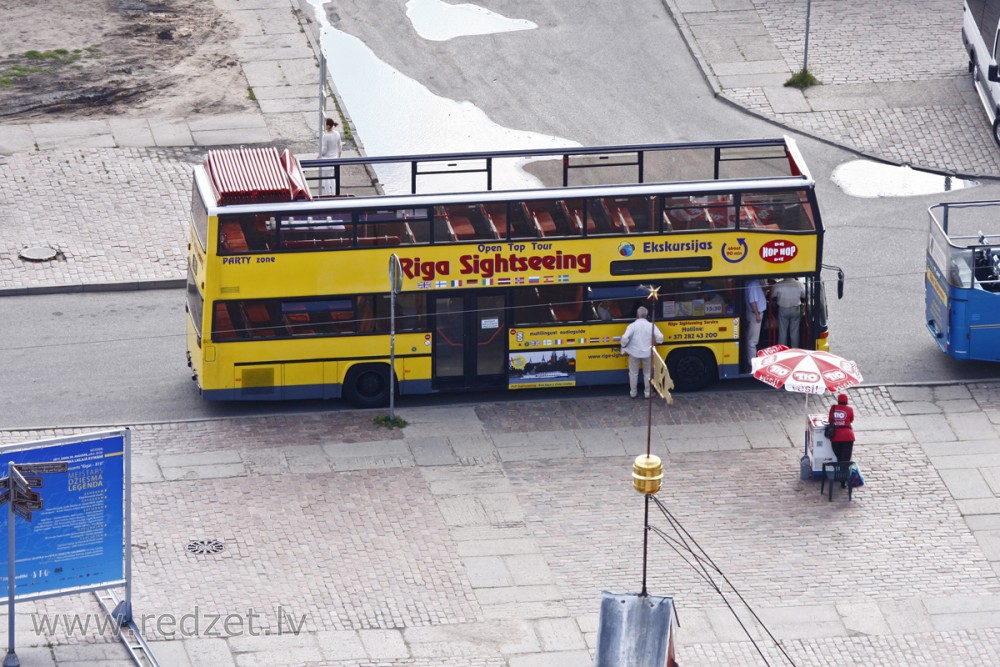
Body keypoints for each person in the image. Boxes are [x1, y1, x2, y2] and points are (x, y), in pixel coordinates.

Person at [620, 306, 664, 399]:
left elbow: (624, 338)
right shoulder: (651, 325)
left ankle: (633, 393)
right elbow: (660, 337)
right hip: (648, 353)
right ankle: (647, 393)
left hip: (634, 353)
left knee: (633, 373)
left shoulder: (632, 326)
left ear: (637, 315)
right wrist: (656, 343)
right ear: (646, 315)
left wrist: (623, 346)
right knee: (647, 373)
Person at [828, 393, 856, 487]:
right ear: (847, 402)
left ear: (838, 401)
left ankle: (840, 476)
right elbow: (851, 420)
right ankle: (843, 480)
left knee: (839, 457)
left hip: (836, 437)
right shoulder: (850, 409)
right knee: (846, 459)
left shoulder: (833, 408)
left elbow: (830, 420)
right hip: (848, 437)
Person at [772, 276, 805, 348]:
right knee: (795, 332)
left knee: (782, 332)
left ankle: (783, 350)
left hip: (783, 309)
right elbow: (804, 295)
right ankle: (795, 349)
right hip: (795, 309)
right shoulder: (799, 284)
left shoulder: (778, 285)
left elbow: (772, 295)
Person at [744, 278, 767, 365]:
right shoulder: (753, 283)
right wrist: (757, 314)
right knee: (752, 341)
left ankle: (751, 359)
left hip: (754, 313)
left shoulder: (751, 282)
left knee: (752, 339)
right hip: (755, 314)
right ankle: (752, 362)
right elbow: (752, 301)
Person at [319, 117, 342, 196]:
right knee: (332, 177)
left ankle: (328, 194)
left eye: (326, 124)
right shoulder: (337, 134)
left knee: (326, 178)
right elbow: (340, 147)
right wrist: (338, 157)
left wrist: (319, 155)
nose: (325, 126)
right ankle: (335, 193)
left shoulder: (326, 136)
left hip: (326, 159)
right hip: (334, 159)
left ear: (328, 126)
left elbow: (324, 150)